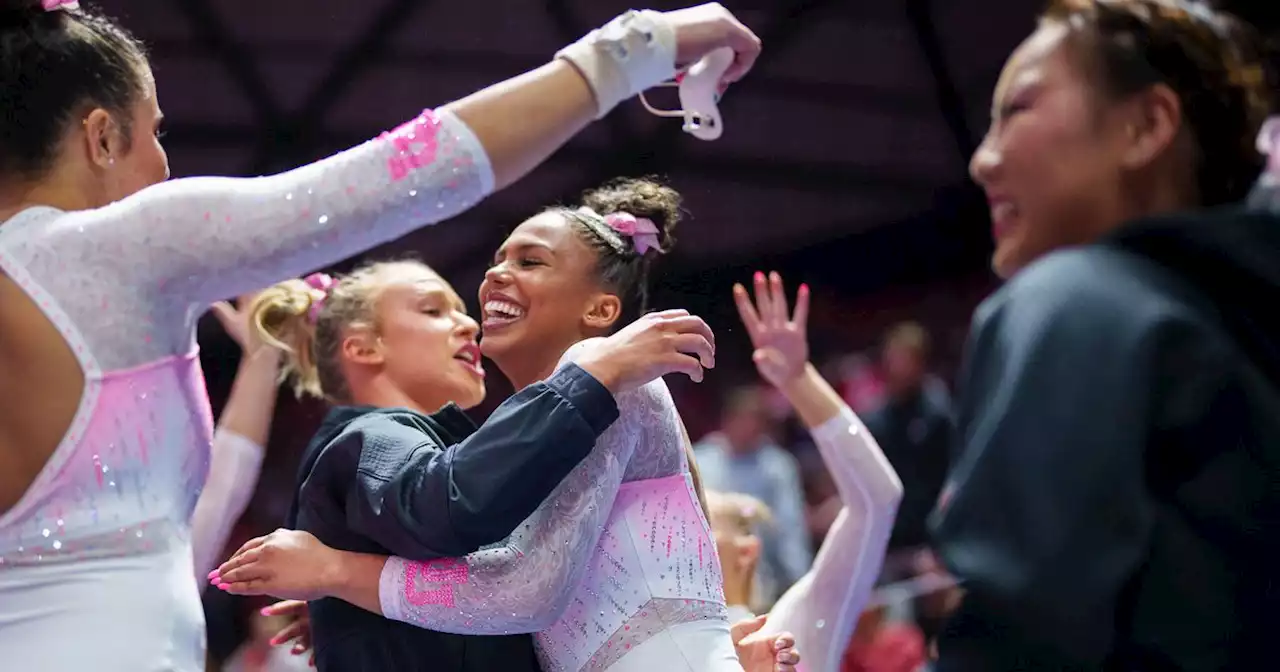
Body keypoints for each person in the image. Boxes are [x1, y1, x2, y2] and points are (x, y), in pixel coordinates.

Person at [0, 0, 761, 667]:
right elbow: (404, 174)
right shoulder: (113, 249)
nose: (164, 168)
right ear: (100, 136)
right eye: (154, 134)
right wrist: (643, 43)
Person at [213, 179, 800, 671]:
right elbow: (493, 586)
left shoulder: (606, 378)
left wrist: (338, 573)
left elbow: (522, 591)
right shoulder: (545, 430)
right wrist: (355, 613)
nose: (493, 277)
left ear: (599, 312)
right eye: (497, 260)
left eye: (530, 261)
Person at [931, 0, 1280, 668]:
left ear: (1146, 125)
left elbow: (1015, 643)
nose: (981, 160)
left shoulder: (1074, 300)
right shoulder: (1243, 322)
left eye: (1019, 109)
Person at [731, 272, 903, 672]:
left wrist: (798, 380)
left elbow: (877, 500)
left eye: (709, 517)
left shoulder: (793, 623)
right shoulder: (668, 644)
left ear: (746, 552)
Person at [693, 384, 813, 606]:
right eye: (744, 419)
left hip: (760, 583)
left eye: (756, 421)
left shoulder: (777, 466)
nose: (749, 428)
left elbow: (790, 529)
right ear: (728, 419)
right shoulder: (699, 461)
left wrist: (801, 585)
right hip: (705, 583)